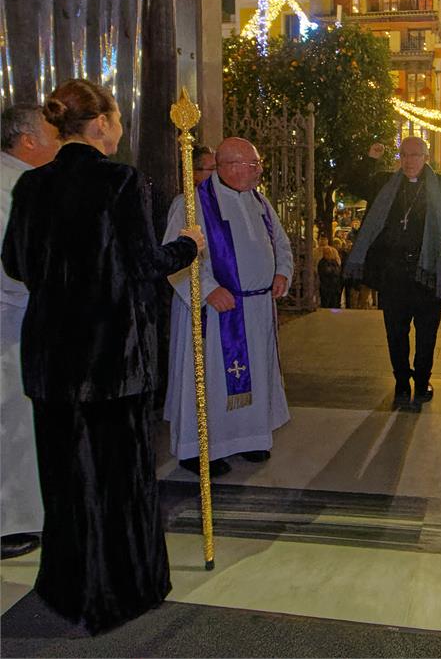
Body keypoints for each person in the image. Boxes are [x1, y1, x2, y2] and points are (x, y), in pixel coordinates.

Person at [1, 79, 204, 634]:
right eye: (117, 120)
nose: (120, 130)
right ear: (101, 124)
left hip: (51, 358)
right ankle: (122, 589)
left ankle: (69, 587)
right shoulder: (121, 181)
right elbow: (144, 263)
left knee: (66, 480)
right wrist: (189, 245)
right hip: (113, 359)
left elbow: (16, 262)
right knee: (119, 481)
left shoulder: (32, 186)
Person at [163, 137, 293, 477]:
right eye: (253, 164)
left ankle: (249, 438)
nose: (258, 170)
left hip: (256, 308)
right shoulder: (192, 205)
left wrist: (282, 272)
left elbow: (281, 244)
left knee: (255, 377)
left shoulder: (260, 202)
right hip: (216, 311)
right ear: (229, 166)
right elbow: (175, 257)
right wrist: (207, 290)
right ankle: (198, 448)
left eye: (258, 163)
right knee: (210, 380)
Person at [345, 137, 441, 404]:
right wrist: (370, 158)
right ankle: (401, 381)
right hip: (393, 272)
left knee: (427, 332)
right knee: (395, 331)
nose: (409, 161)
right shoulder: (386, 183)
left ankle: (421, 381)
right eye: (404, 155)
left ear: (426, 157)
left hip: (426, 272)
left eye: (415, 155)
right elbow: (354, 183)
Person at [1, 105, 60, 561]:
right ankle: (12, 521)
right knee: (13, 423)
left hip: (29, 321)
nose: (58, 141)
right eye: (51, 134)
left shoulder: (28, 183)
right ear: (26, 141)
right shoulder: (8, 188)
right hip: (11, 325)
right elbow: (12, 268)